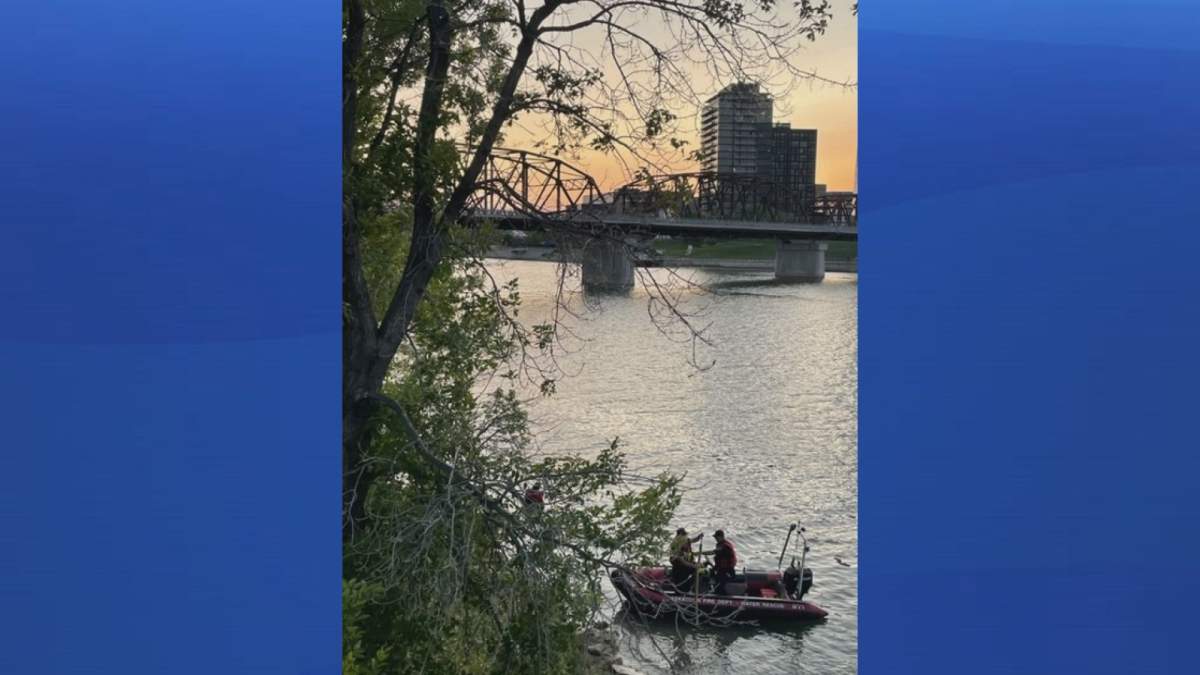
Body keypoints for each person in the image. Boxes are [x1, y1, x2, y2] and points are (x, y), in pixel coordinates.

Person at [710, 529, 737, 595]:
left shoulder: (725, 546)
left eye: (716, 537)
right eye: (715, 537)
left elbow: (713, 552)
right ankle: (714, 589)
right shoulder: (720, 544)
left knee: (720, 584)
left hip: (727, 569)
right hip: (721, 568)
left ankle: (721, 596)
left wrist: (701, 553)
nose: (715, 539)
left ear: (721, 536)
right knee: (712, 572)